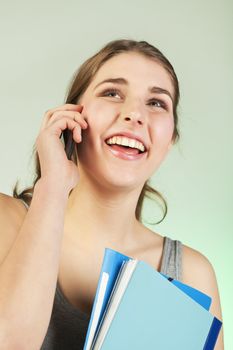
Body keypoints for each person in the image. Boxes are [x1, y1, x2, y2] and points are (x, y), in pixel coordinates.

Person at [0, 39, 224, 349]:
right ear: (74, 116)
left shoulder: (192, 274)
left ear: (169, 139)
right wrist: (53, 184)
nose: (134, 114)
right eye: (112, 93)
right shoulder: (7, 221)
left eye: (157, 102)